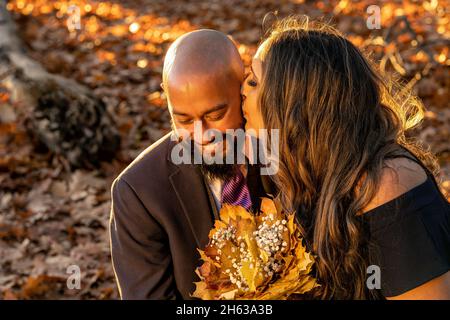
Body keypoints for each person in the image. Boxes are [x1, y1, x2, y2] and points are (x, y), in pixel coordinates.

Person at [241, 16, 450, 299]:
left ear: (294, 102)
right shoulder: (299, 178)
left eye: (253, 81)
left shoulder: (386, 185)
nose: (242, 89)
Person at [109, 29, 274, 299]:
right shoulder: (138, 193)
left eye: (216, 114)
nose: (202, 135)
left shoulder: (283, 151)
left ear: (242, 87)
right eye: (184, 121)